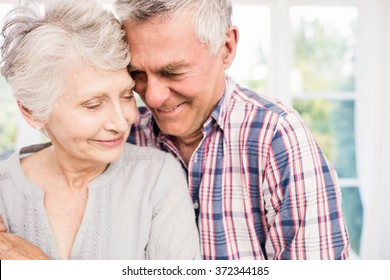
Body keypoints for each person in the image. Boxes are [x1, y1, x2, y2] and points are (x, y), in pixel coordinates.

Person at [114, 0, 350, 259]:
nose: (153, 97)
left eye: (174, 72)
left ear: (227, 48)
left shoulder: (277, 136)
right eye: (137, 73)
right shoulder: (123, 138)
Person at [0, 0, 199, 260]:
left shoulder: (157, 178)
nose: (123, 120)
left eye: (127, 95)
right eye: (93, 105)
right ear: (31, 111)